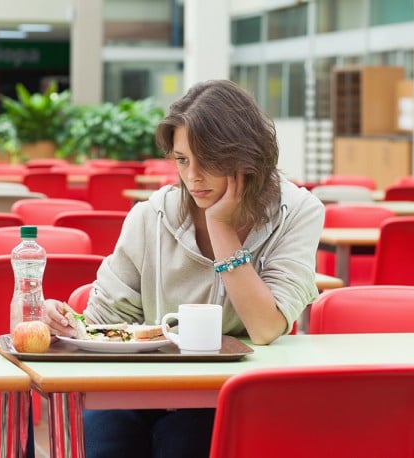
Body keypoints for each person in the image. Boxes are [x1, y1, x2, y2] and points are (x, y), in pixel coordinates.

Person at [44, 79, 325, 457]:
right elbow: (103, 323)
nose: (192, 176)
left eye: (207, 161)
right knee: (102, 439)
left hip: (231, 393)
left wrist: (222, 228)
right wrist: (65, 322)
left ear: (246, 157)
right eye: (182, 159)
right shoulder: (151, 215)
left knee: (184, 439)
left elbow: (265, 327)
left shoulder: (298, 212)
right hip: (141, 389)